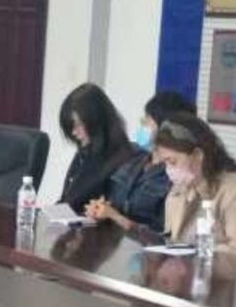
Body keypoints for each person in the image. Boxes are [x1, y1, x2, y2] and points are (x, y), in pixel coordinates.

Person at [85, 92, 196, 233]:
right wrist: (99, 209)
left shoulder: (175, 175)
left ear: (165, 128)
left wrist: (116, 217)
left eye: (148, 120)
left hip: (143, 246)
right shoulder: (132, 159)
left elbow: (165, 233)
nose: (142, 123)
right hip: (110, 240)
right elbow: (110, 200)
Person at [156, 112, 236, 249]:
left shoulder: (231, 191)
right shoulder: (178, 192)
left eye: (173, 162)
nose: (169, 170)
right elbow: (172, 241)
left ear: (198, 155)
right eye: (165, 163)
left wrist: (200, 252)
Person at [58, 83, 136, 213]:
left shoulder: (121, 159)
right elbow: (67, 199)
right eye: (71, 126)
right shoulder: (86, 152)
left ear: (96, 121)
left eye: (79, 124)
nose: (74, 132)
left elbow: (78, 203)